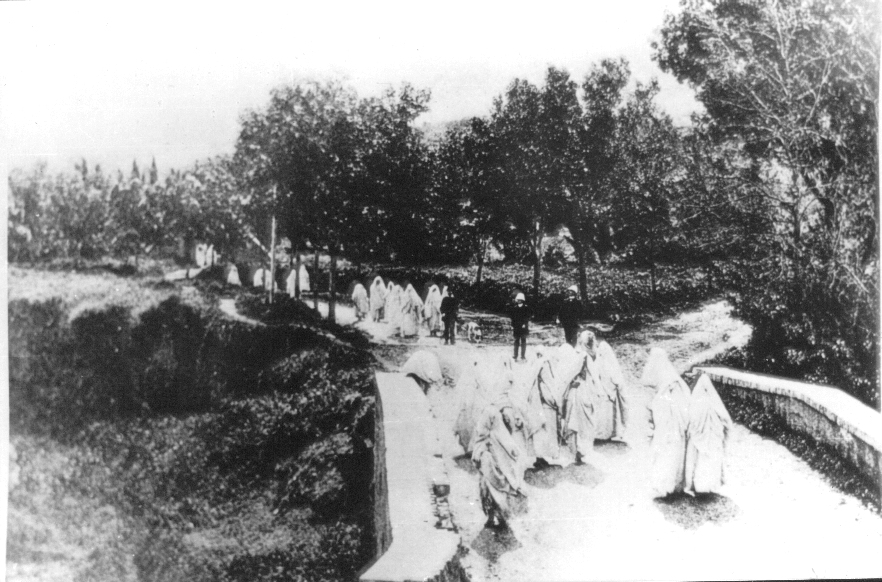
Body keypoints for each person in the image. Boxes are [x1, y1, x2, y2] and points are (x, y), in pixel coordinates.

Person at [641, 347, 691, 498]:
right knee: (673, 450)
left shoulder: (669, 382)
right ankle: (674, 484)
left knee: (666, 450)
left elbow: (661, 401)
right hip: (675, 422)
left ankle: (667, 485)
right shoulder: (673, 378)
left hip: (669, 423)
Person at [471, 403, 528, 529]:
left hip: (490, 467)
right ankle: (494, 517)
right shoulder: (496, 432)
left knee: (491, 492)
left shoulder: (492, 431)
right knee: (492, 493)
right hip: (490, 467)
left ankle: (497, 517)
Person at [685, 374, 733, 495]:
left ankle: (698, 485)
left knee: (699, 459)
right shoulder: (715, 404)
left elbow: (691, 420)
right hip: (712, 436)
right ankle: (710, 485)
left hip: (701, 437)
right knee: (711, 459)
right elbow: (725, 420)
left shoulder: (697, 403)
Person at [563, 331, 603, 465]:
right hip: (586, 390)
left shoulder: (582, 356)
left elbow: (570, 373)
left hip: (579, 391)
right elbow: (596, 378)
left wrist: (563, 387)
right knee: (583, 421)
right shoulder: (591, 356)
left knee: (575, 420)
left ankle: (577, 451)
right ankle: (579, 451)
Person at [594, 340, 629, 441]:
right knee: (605, 414)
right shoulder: (602, 361)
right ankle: (605, 433)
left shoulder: (605, 362)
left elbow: (613, 377)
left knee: (607, 414)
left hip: (606, 391)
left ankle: (607, 433)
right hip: (605, 391)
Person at [509, 293, 532, 361]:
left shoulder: (526, 308)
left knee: (523, 341)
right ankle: (515, 355)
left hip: (523, 327)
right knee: (516, 341)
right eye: (518, 299)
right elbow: (512, 317)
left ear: (522, 300)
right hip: (516, 327)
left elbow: (527, 316)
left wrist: (525, 323)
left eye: (520, 300)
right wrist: (512, 325)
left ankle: (523, 356)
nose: (519, 301)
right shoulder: (514, 308)